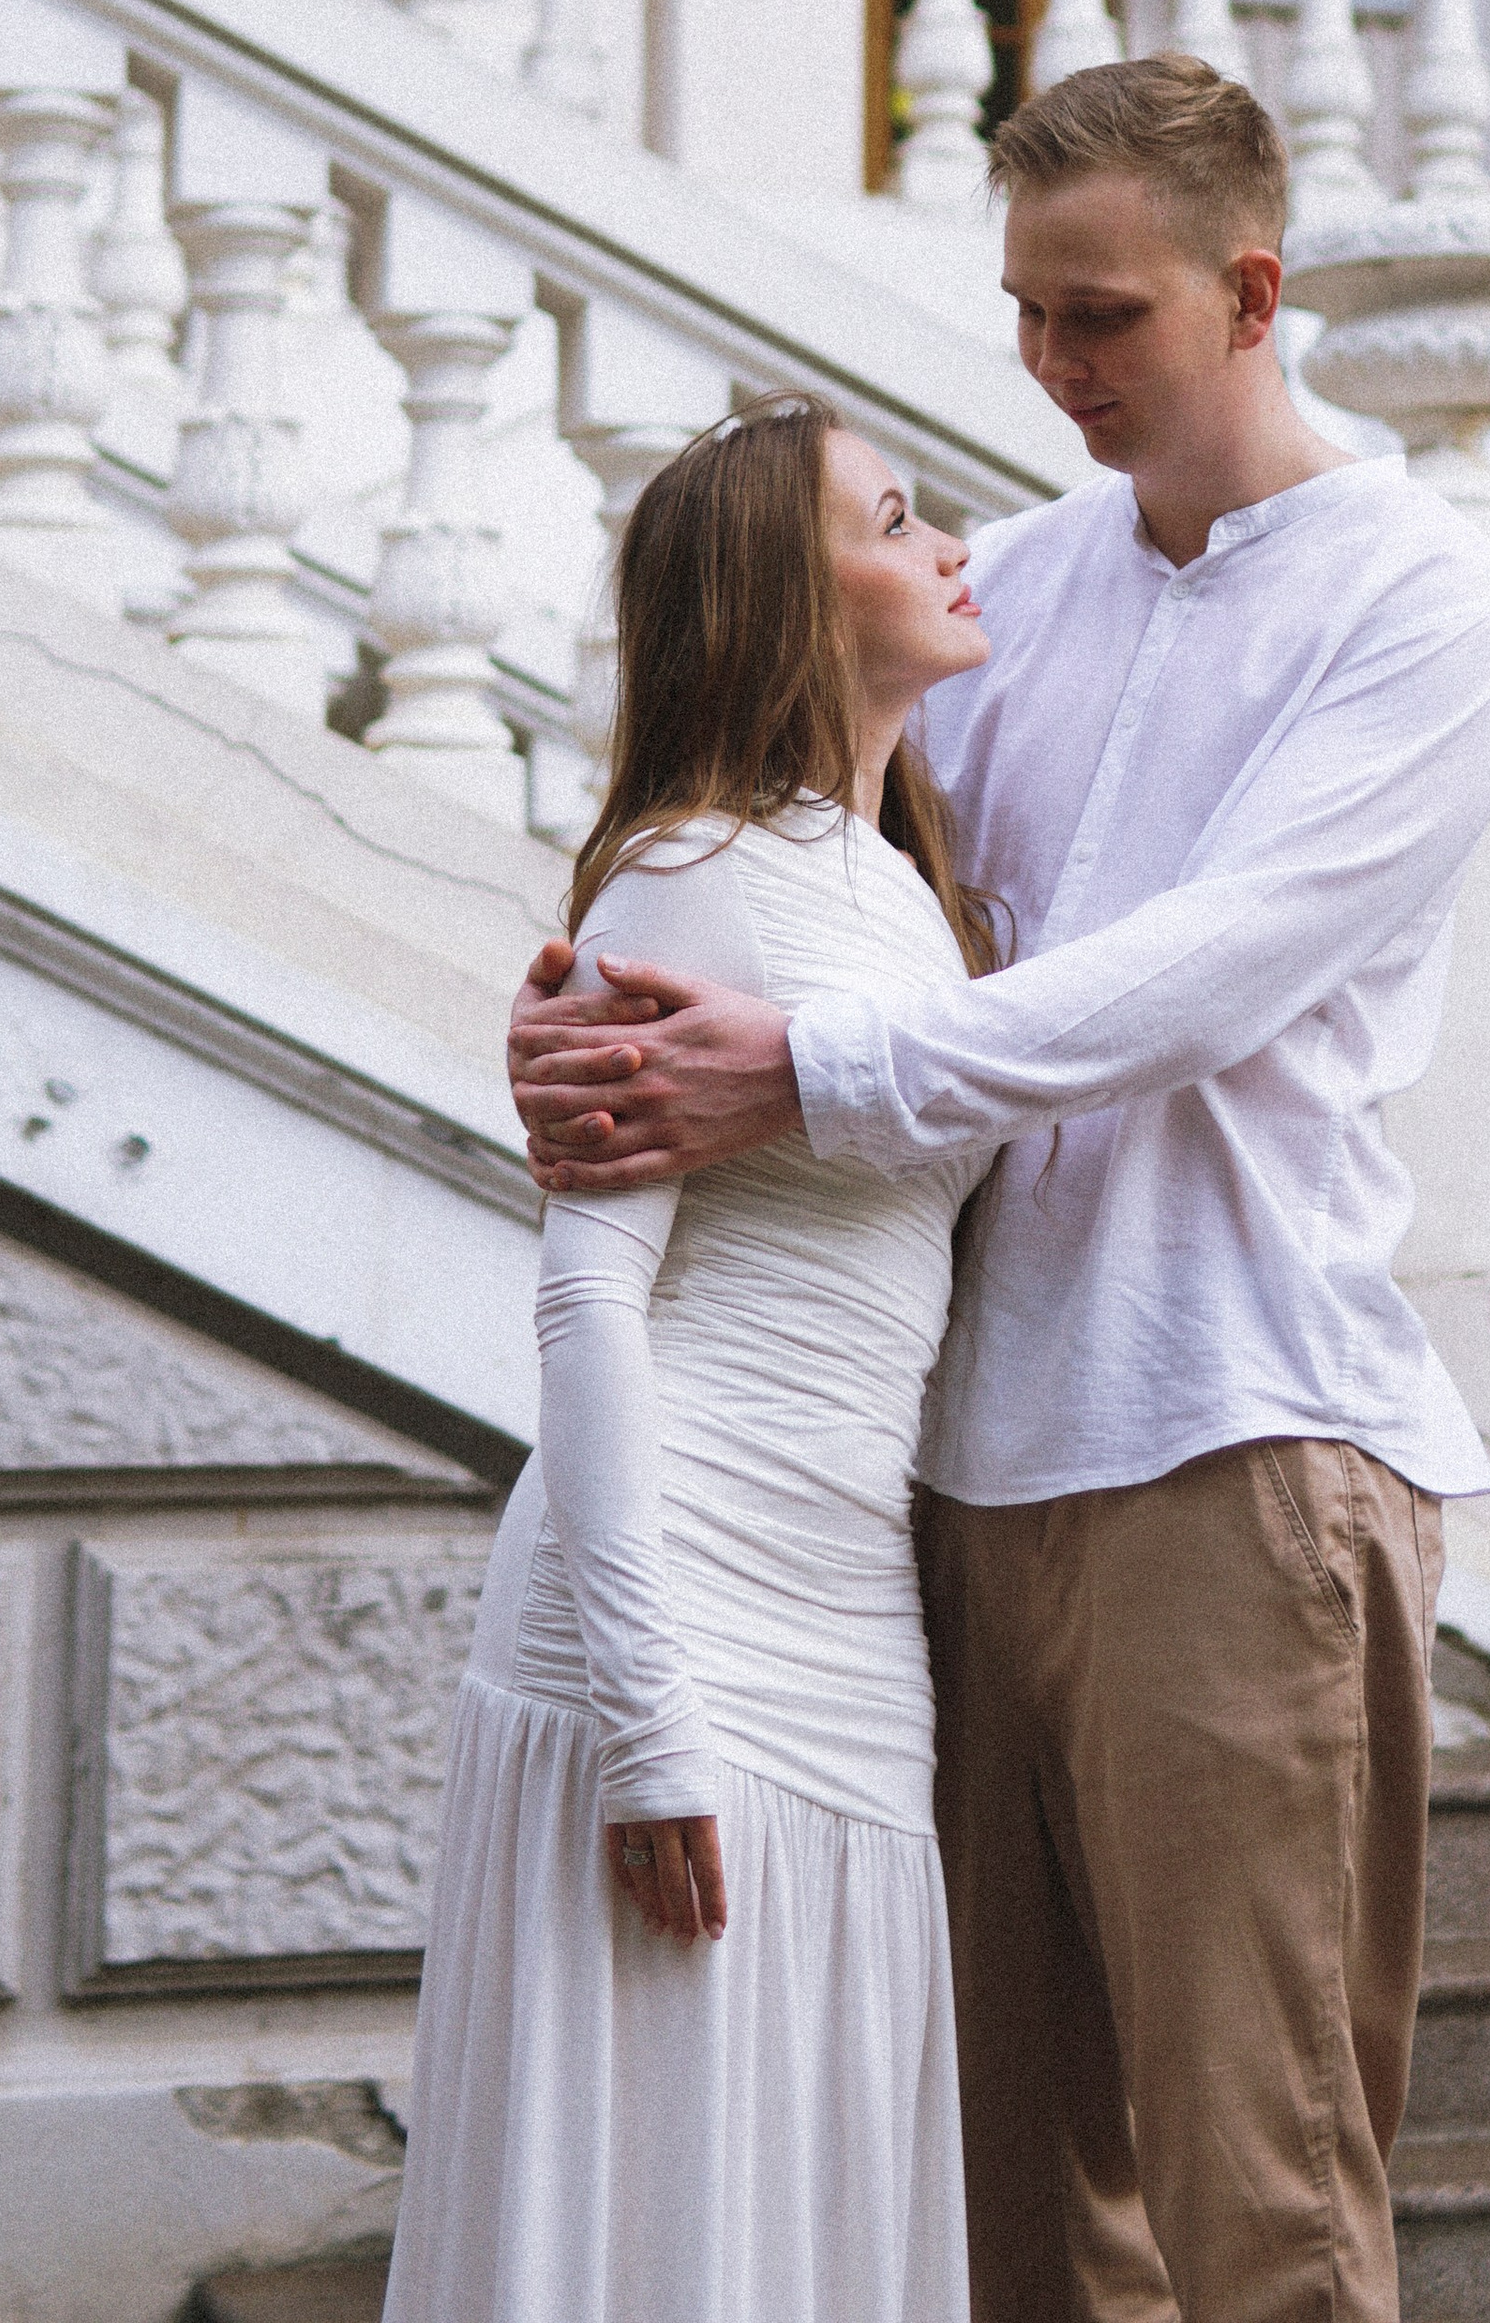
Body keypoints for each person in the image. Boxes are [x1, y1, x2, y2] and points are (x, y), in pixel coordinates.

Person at [510, 54, 1490, 2323]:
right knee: (1002, 2219)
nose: (1050, 370)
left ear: (1246, 294)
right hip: (945, 1491)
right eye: (1024, 313)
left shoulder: (1427, 604)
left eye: (1101, 320)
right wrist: (589, 1010)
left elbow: (1195, 981)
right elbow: (796, 839)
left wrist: (793, 1067)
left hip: (1237, 1446)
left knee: (1254, 2207)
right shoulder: (1017, 594)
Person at [383, 398, 1001, 2323]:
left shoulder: (906, 896)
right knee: (646, 2206)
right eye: (897, 522)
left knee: (809, 2187)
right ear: (786, 601)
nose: (951, 549)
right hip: (666, 1609)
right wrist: (652, 1718)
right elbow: (587, 1303)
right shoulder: (689, 869)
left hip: (851, 1616)